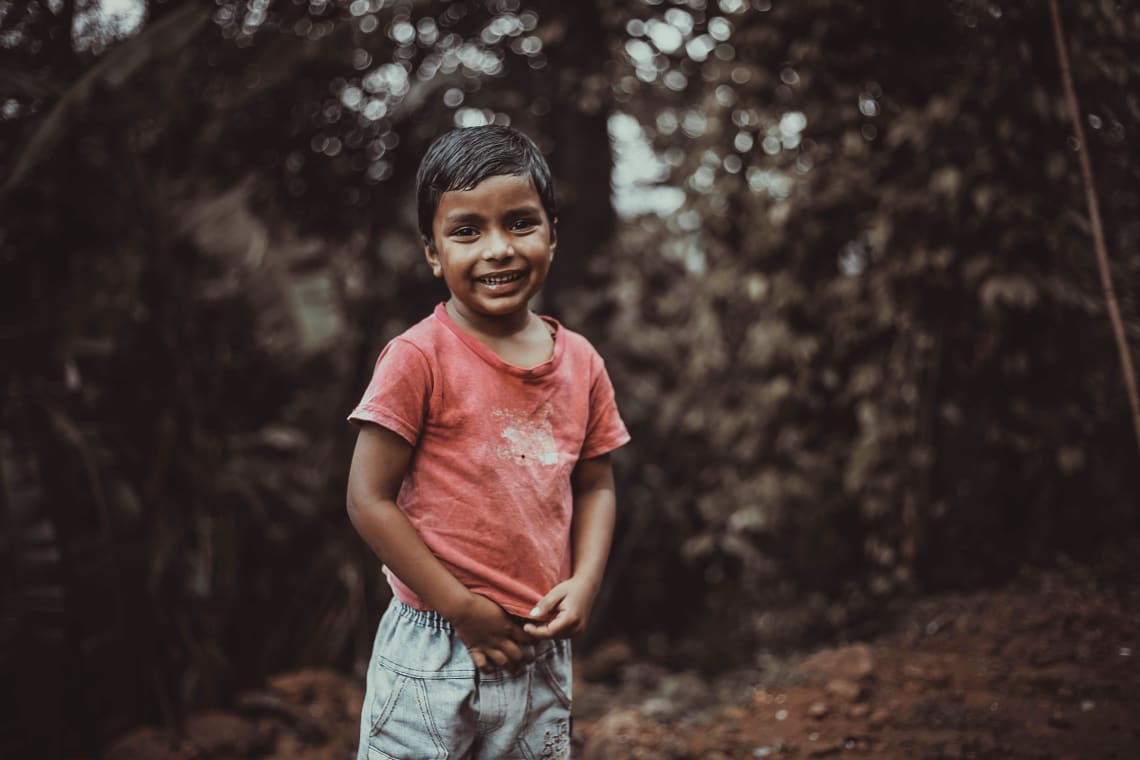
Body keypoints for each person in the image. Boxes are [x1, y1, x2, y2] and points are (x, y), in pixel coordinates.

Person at [346, 125, 630, 759]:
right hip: (434, 641)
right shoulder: (418, 358)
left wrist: (584, 582)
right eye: (467, 231)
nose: (497, 249)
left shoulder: (581, 362)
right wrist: (459, 606)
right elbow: (367, 499)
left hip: (538, 642)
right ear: (432, 252)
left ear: (552, 234)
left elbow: (597, 484)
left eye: (520, 224)